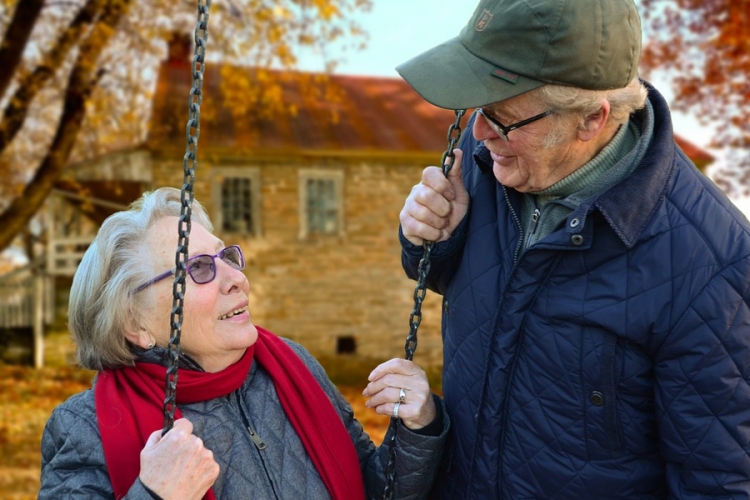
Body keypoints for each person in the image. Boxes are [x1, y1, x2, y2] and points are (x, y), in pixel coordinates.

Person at [397, 0, 750, 498]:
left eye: (502, 117)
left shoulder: (714, 267)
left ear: (590, 120)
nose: (479, 132)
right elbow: (461, 283)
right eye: (477, 109)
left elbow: (719, 481)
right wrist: (430, 240)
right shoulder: (487, 161)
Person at [40, 187, 448, 499]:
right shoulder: (84, 427)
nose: (235, 278)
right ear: (135, 324)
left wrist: (416, 427)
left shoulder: (292, 366)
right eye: (198, 268)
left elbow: (373, 489)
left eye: (227, 257)